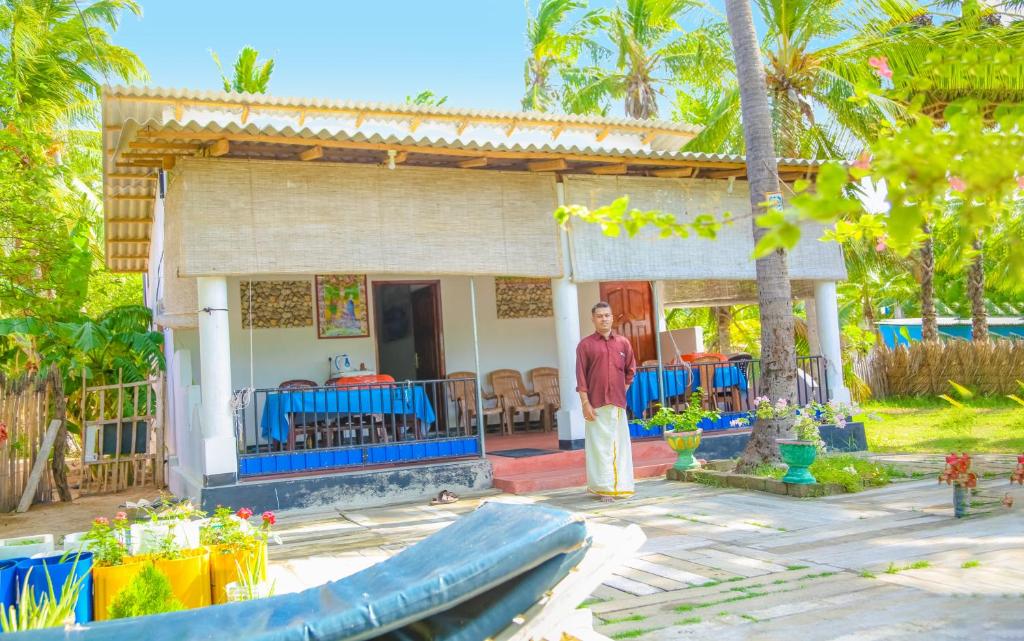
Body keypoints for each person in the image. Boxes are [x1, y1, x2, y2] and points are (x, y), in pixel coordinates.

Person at [575, 301, 637, 501]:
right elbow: (581, 377)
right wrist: (585, 403)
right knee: (599, 449)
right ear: (593, 319)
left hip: (617, 404)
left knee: (620, 446)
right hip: (596, 405)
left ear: (612, 317)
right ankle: (603, 489)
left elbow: (630, 371)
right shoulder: (585, 345)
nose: (604, 319)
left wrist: (621, 390)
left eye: (607, 315)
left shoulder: (623, 343)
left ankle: (622, 487)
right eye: (600, 316)